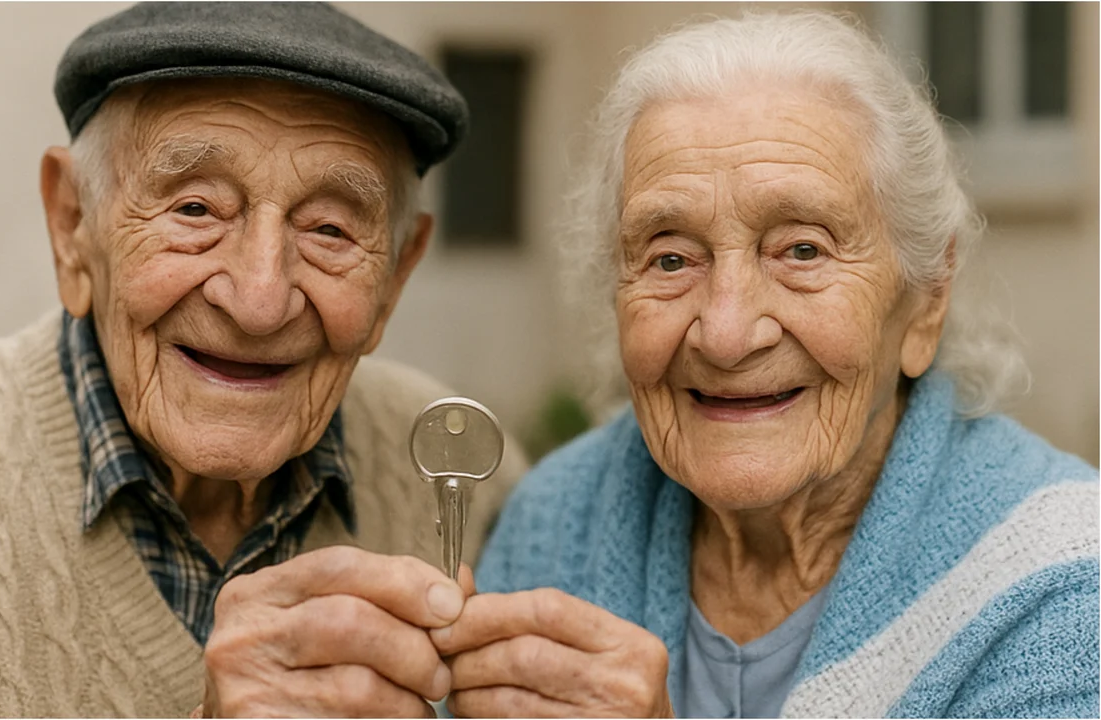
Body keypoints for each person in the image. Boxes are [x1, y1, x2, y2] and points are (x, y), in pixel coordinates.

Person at [0, 3, 526, 717]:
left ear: (396, 276)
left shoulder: (461, 470)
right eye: (195, 210)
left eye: (329, 228)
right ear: (71, 225)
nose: (259, 299)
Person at [431, 11, 1100, 719]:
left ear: (926, 301)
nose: (726, 334)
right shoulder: (557, 525)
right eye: (670, 258)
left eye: (802, 250)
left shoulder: (1058, 581)